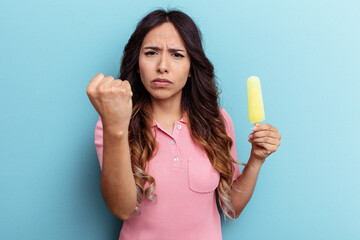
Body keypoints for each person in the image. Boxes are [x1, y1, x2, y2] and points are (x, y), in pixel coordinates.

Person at [86, 8, 281, 240]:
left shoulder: (217, 121)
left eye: (177, 55)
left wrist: (257, 159)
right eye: (151, 53)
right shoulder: (112, 122)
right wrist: (115, 127)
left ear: (191, 68)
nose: (162, 66)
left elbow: (232, 208)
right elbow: (122, 208)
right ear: (137, 64)